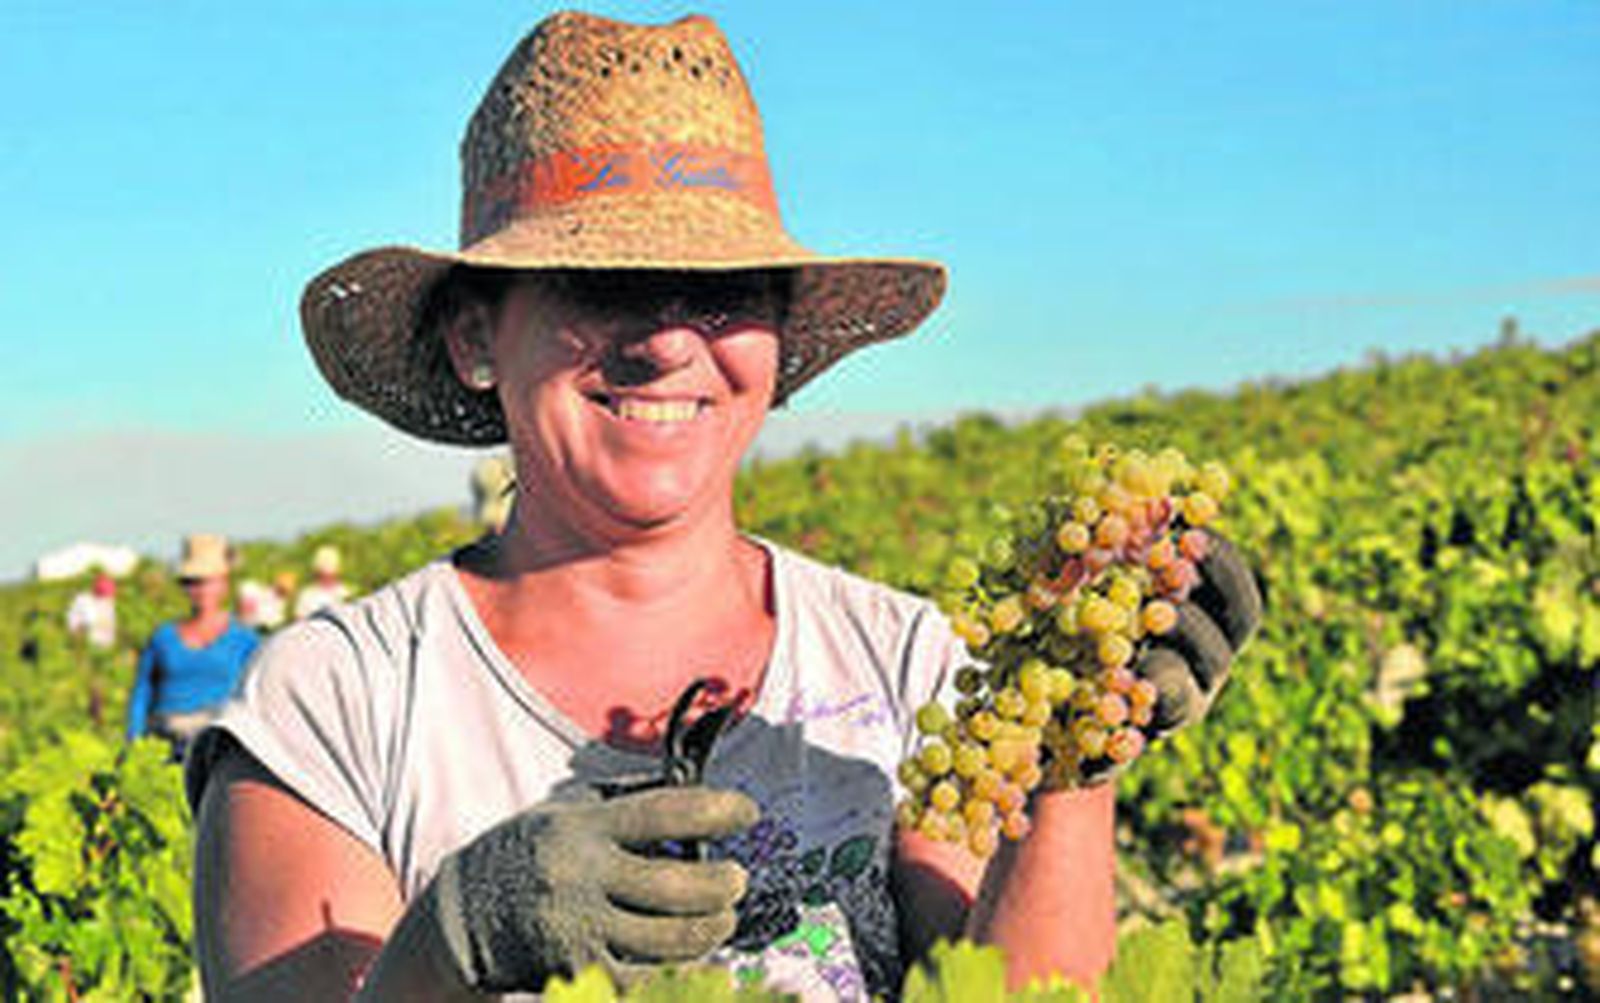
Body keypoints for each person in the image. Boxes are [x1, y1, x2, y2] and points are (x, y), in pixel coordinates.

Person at [187, 12, 1262, 1002]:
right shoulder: (335, 705)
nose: (667, 341)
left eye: (725, 290)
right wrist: (452, 938)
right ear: (476, 338)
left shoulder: (906, 663)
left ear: (778, 342)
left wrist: (1072, 761)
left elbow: (1029, 995)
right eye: (601, 282)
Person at [128, 534, 260, 759]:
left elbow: (255, 696)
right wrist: (134, 742)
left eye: (208, 581)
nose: (201, 590)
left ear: (224, 584)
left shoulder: (245, 640)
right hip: (166, 742)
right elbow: (142, 693)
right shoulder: (163, 638)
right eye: (193, 582)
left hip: (220, 745)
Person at [293, 545, 352, 619]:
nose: (328, 578)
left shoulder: (344, 594)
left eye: (330, 574)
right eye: (324, 574)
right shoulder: (307, 594)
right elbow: (300, 620)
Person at [66, 570, 118, 650]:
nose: (108, 598)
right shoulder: (83, 601)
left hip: (102, 642)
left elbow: (109, 623)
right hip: (87, 642)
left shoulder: (108, 602)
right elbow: (75, 622)